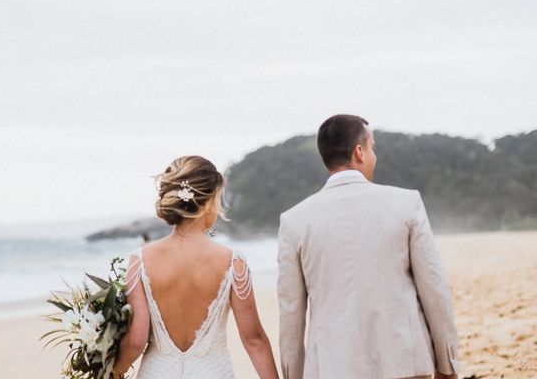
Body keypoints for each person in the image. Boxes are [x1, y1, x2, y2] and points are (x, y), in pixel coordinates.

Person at [277, 114, 460, 379]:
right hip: (404, 361)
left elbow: (291, 314)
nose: (375, 156)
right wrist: (447, 363)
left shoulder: (294, 221)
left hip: (332, 368)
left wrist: (292, 375)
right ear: (359, 152)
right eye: (373, 148)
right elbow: (434, 288)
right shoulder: (406, 204)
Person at [112, 155, 279, 378]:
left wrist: (113, 372)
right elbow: (254, 339)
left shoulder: (140, 260)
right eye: (218, 200)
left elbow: (136, 340)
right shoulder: (232, 262)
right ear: (208, 202)